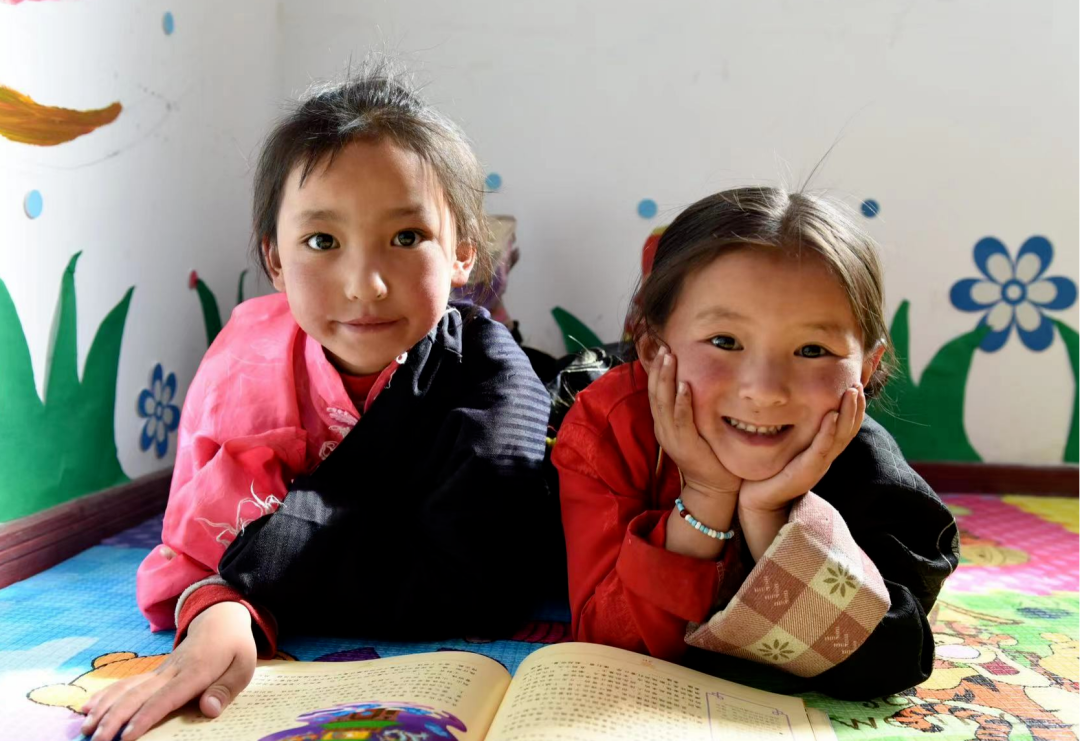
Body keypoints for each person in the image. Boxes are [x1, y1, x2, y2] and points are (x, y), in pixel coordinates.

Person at [81, 68, 552, 741]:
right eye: (322, 242)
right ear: (275, 260)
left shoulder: (492, 379)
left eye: (407, 237)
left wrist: (265, 561)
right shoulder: (246, 364)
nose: (365, 285)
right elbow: (203, 545)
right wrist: (221, 610)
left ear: (462, 253)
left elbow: (476, 580)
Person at [553, 186, 960, 700]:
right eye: (725, 341)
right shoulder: (608, 428)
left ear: (865, 368)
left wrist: (769, 517)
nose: (765, 390)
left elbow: (887, 661)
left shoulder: (866, 464)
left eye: (812, 350)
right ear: (654, 350)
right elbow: (609, 647)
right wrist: (706, 496)